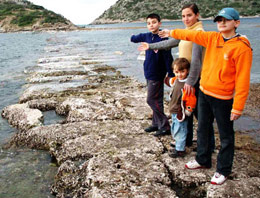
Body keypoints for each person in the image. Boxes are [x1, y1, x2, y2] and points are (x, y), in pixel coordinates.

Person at [159, 7, 253, 185]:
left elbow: (242, 80)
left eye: (226, 20)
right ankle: (203, 160)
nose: (222, 23)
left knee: (226, 136)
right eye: (219, 20)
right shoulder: (212, 38)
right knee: (202, 128)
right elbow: (190, 35)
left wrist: (238, 106)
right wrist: (170, 31)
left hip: (223, 98)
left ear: (236, 23)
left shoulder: (242, 48)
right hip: (204, 92)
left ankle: (223, 170)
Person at [138, 3, 215, 149]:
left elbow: (197, 62)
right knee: (187, 113)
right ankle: (186, 140)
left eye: (189, 15)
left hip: (195, 80)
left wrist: (190, 82)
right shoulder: (187, 31)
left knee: (201, 115)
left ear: (197, 15)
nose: (185, 19)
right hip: (185, 78)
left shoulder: (198, 33)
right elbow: (168, 43)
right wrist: (150, 46)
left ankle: (209, 146)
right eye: (183, 16)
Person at [130, 13, 174, 136]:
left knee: (150, 100)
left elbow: (168, 58)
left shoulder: (163, 39)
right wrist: (133, 36)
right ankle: (156, 123)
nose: (151, 25)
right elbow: (133, 38)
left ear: (159, 23)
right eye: (148, 23)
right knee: (158, 100)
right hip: (148, 72)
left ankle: (165, 125)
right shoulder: (147, 36)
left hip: (158, 74)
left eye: (154, 22)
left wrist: (170, 74)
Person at [165, 58, 196, 158]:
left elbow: (191, 99)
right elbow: (170, 81)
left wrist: (189, 110)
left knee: (181, 129)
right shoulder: (176, 80)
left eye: (182, 72)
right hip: (173, 109)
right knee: (174, 127)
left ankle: (180, 149)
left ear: (187, 71)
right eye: (177, 72)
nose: (180, 74)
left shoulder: (187, 85)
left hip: (180, 111)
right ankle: (178, 142)